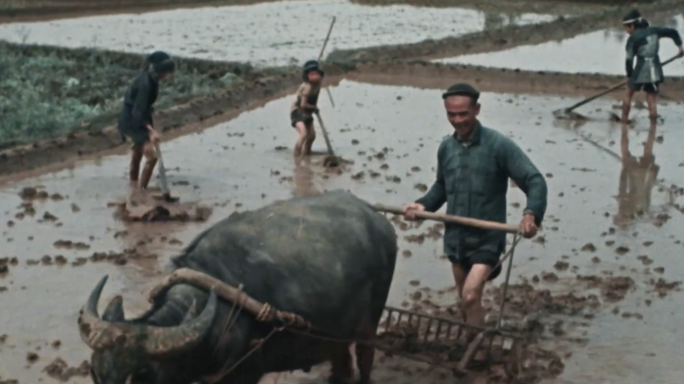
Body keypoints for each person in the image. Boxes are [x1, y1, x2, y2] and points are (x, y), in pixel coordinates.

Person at [402, 83, 547, 336]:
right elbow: (441, 187)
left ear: (477, 110)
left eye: (463, 114)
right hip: (456, 237)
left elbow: (534, 180)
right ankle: (473, 342)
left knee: (469, 295)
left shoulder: (498, 145)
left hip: (487, 238)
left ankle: (475, 346)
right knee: (466, 300)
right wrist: (423, 204)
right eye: (451, 115)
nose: (457, 121)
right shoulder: (446, 148)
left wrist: (530, 214)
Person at [117, 50, 176, 190]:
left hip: (132, 119)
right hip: (131, 122)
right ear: (159, 70)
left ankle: (133, 185)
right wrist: (151, 131)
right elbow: (138, 113)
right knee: (152, 156)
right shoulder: (145, 85)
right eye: (166, 72)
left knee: (137, 153)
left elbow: (144, 109)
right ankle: (141, 190)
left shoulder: (150, 79)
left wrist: (150, 128)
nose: (167, 76)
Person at [621, 9, 683, 122]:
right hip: (656, 69)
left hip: (641, 69)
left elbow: (629, 60)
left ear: (633, 26)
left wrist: (630, 75)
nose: (627, 31)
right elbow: (673, 32)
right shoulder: (655, 31)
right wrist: (680, 47)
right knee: (651, 96)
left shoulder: (633, 38)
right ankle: (653, 123)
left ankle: (623, 121)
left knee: (628, 93)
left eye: (627, 27)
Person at [614, 119, 659, 226]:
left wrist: (625, 167)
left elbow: (623, 184)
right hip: (646, 172)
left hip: (640, 173)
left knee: (628, 155)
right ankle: (653, 126)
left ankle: (624, 131)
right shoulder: (642, 206)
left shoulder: (628, 205)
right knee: (647, 152)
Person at [290, 60, 324, 157]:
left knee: (311, 136)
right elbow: (303, 105)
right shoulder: (307, 87)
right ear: (307, 76)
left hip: (308, 112)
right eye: (312, 75)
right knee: (304, 134)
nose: (315, 76)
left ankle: (306, 155)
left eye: (317, 74)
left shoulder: (317, 84)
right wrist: (314, 107)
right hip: (298, 111)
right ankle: (296, 156)